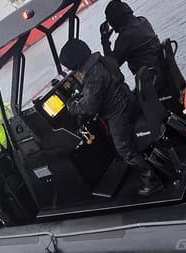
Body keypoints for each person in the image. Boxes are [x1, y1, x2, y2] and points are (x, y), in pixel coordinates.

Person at [59, 38, 163, 195]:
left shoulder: (92, 75)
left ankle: (151, 180)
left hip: (118, 113)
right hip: (129, 101)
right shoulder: (103, 60)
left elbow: (89, 107)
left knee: (123, 148)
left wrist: (72, 105)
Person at [99, 0, 165, 85]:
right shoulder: (143, 20)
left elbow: (112, 67)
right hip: (164, 74)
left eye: (110, 21)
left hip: (152, 83)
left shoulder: (126, 36)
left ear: (115, 19)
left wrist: (105, 41)